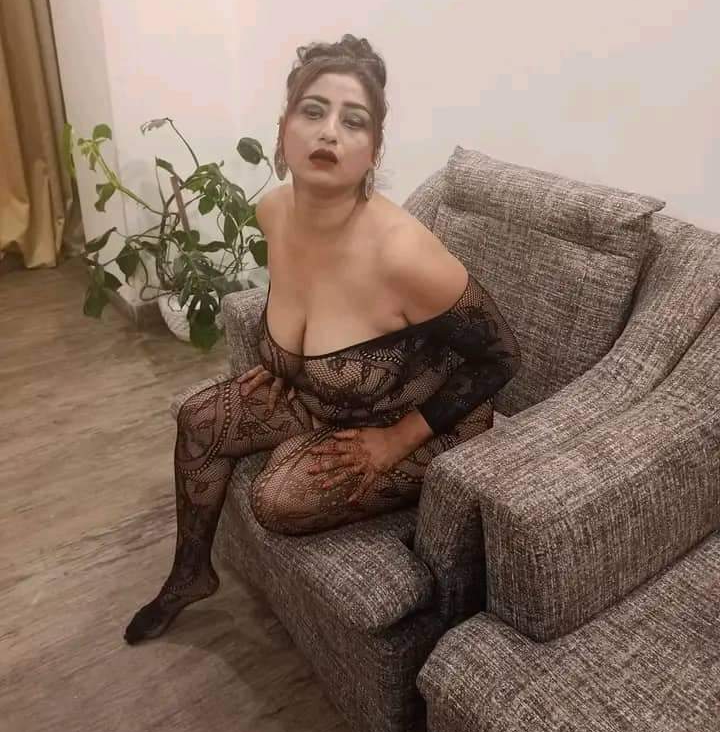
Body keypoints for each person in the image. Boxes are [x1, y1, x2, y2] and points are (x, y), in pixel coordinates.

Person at [123, 33, 522, 645]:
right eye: (312, 111)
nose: (329, 132)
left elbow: (501, 356)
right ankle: (190, 574)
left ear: (373, 150)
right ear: (283, 128)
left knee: (278, 497)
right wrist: (281, 363)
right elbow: (304, 302)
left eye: (353, 121)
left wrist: (398, 438)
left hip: (430, 420)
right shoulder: (273, 212)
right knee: (200, 420)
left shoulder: (403, 253)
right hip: (329, 399)